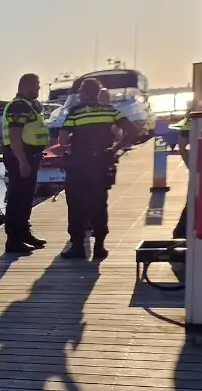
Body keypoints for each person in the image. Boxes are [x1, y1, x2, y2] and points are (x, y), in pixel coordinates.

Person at [56, 77, 141, 260]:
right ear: (97, 93)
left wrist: (72, 138)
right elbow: (133, 130)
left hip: (79, 164)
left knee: (76, 206)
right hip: (102, 162)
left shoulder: (75, 111)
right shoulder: (109, 110)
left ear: (83, 93)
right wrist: (115, 149)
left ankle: (78, 247)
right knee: (100, 204)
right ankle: (100, 246)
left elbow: (62, 140)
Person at [2, 73, 50, 255]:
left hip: (30, 155)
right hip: (19, 157)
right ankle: (13, 240)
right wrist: (22, 161)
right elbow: (14, 136)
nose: (38, 89)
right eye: (36, 85)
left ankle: (23, 233)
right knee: (17, 197)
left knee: (27, 197)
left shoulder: (30, 106)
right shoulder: (18, 106)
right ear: (26, 86)